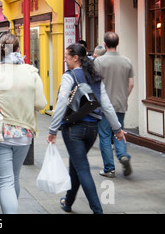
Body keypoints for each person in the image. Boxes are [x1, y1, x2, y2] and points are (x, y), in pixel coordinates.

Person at [47, 43, 125, 214]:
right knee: (76, 165)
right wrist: (117, 128)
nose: (64, 60)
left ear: (75, 58)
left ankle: (98, 210)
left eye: (67, 57)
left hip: (73, 129)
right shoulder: (95, 76)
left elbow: (61, 102)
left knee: (81, 168)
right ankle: (68, 202)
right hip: (92, 129)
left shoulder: (70, 76)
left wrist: (53, 129)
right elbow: (106, 105)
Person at [0, 34, 47, 214]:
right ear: (19, 50)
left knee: (5, 181)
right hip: (23, 135)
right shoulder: (31, 72)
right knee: (13, 177)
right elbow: (42, 104)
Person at [94, 32, 134, 178]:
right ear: (117, 43)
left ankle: (109, 168)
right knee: (119, 131)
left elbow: (95, 84)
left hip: (104, 106)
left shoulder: (99, 62)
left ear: (104, 44)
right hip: (120, 103)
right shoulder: (127, 61)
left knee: (105, 135)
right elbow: (131, 84)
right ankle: (122, 155)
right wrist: (124, 96)